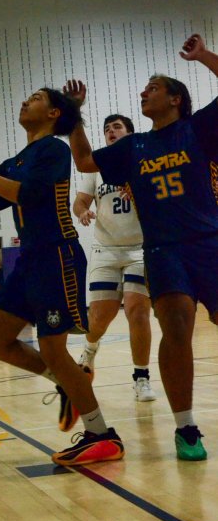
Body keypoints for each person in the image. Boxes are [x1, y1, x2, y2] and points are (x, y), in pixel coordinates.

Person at [0, 86, 124, 466]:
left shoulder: (53, 150)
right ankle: (68, 382)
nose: (25, 100)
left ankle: (103, 435)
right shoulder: (17, 160)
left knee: (53, 347)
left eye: (36, 98)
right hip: (30, 260)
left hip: (57, 254)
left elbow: (30, 196)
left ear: (54, 114)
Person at [67, 32, 218, 461]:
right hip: (163, 249)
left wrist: (204, 55)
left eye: (152, 87)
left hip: (208, 241)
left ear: (175, 99)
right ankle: (186, 428)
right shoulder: (134, 146)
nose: (143, 93)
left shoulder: (197, 128)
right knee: (176, 330)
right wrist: (75, 115)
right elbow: (83, 161)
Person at [73, 113, 155, 402]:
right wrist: (83, 212)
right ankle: (90, 348)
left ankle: (141, 377)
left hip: (140, 248)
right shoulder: (97, 167)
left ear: (129, 133)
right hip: (105, 249)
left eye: (117, 127)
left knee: (137, 310)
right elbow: (79, 201)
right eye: (107, 128)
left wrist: (143, 195)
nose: (110, 131)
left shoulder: (145, 162)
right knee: (100, 316)